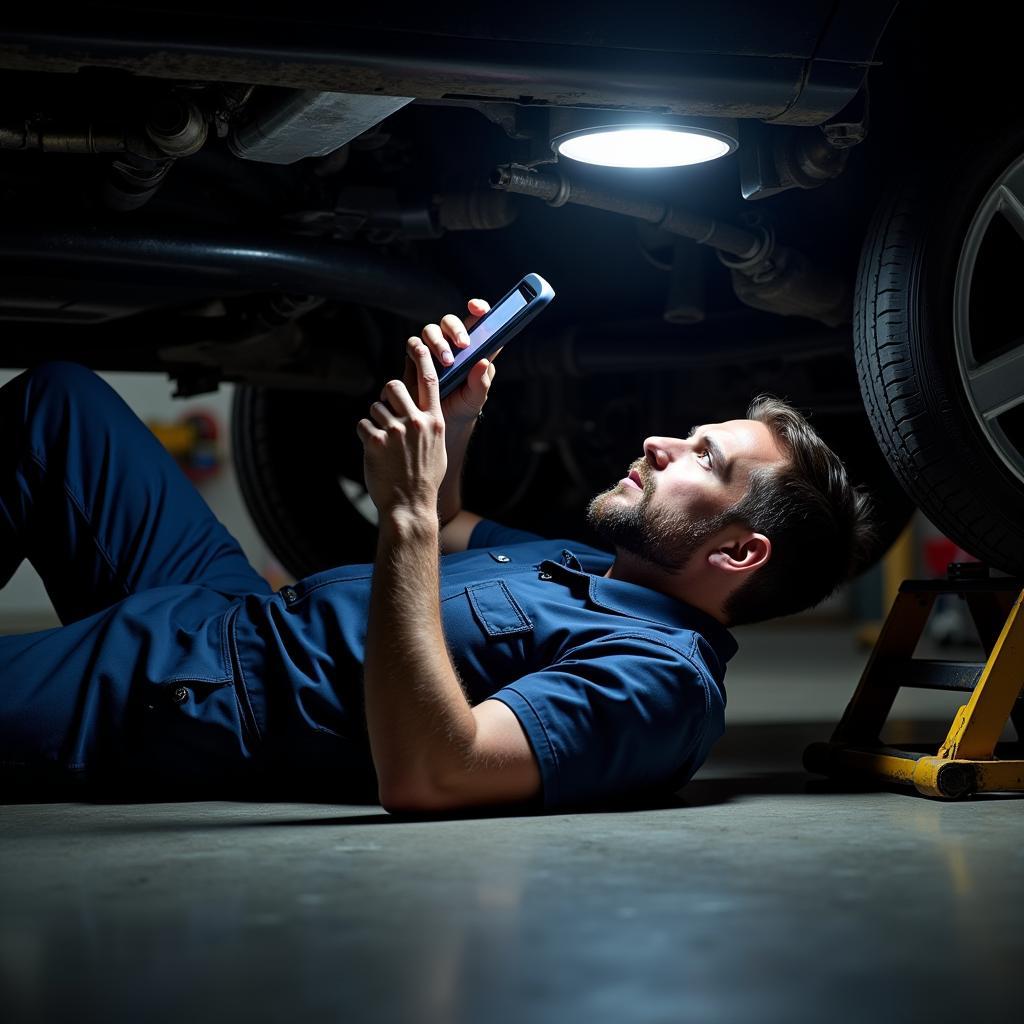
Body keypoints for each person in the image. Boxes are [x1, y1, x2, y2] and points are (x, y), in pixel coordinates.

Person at [0, 298, 874, 812]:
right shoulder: (592, 568)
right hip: (237, 607)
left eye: (703, 459)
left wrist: (406, 512)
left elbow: (434, 773)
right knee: (60, 404)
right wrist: (456, 418)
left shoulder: (661, 681)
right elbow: (455, 518)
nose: (658, 445)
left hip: (210, 693)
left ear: (737, 552)